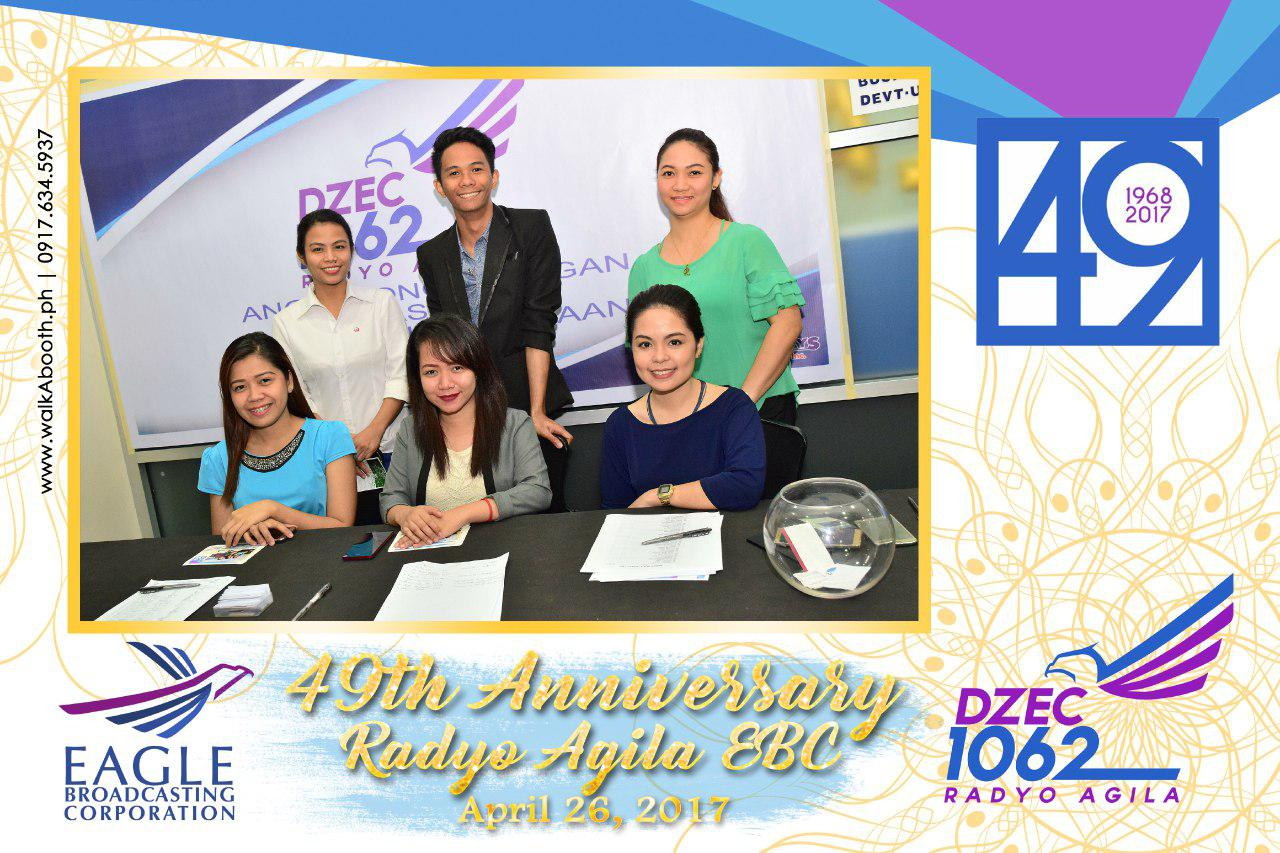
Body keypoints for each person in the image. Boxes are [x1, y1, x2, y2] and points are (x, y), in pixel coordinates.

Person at [415, 126, 573, 510]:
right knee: (480, 517)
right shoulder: (432, 254)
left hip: (529, 401)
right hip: (469, 414)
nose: (466, 181)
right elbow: (446, 343)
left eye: (476, 169)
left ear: (493, 176)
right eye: (453, 173)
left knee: (542, 516)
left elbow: (539, 324)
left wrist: (535, 411)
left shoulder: (531, 228)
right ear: (440, 186)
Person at [628, 128, 805, 425]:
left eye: (694, 172)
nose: (680, 184)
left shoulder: (747, 241)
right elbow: (647, 354)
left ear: (716, 178)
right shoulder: (644, 268)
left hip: (760, 409)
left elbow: (788, 324)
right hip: (687, 422)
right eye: (669, 173)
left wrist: (741, 404)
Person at [272, 208, 409, 524]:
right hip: (328, 461)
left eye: (339, 246)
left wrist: (374, 432)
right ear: (302, 256)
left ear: (351, 250)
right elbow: (297, 395)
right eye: (317, 249)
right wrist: (338, 444)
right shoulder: (287, 323)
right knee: (344, 541)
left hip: (393, 449)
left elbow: (401, 374)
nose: (330, 257)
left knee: (403, 537)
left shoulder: (381, 304)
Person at [380, 314, 551, 545]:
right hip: (431, 556)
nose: (445, 384)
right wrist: (404, 514)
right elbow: (390, 498)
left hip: (500, 549)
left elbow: (538, 491)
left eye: (457, 367)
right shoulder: (410, 430)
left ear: (478, 369)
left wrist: (463, 514)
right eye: (431, 372)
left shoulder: (514, 424)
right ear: (417, 378)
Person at [600, 284, 765, 511]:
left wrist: (658, 496)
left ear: (698, 346)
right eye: (645, 344)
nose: (659, 357)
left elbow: (744, 486)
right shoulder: (620, 424)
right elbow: (615, 512)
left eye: (674, 342)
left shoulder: (734, 406)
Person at [198, 332, 357, 546]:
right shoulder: (218, 458)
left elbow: (342, 526)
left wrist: (272, 510)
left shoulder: (330, 437)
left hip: (323, 559)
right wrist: (252, 530)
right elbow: (223, 542)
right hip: (256, 566)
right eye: (240, 387)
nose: (254, 396)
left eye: (265, 380)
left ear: (289, 381)